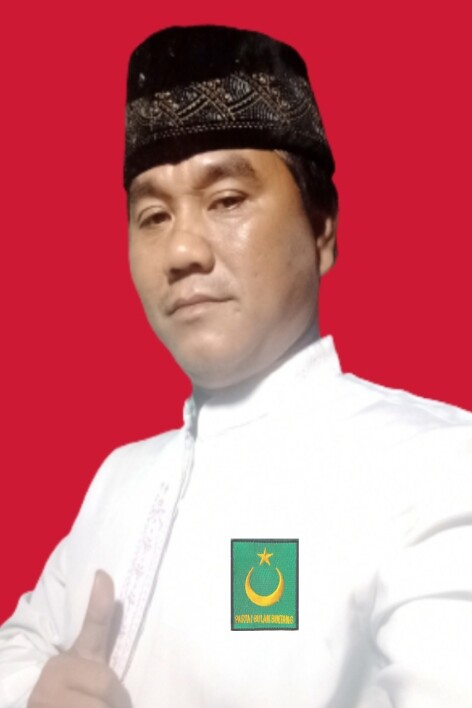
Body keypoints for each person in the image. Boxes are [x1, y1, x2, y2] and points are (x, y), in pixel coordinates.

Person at [1, 24, 472, 708]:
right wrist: (34, 692)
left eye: (226, 200)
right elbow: (19, 644)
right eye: (153, 216)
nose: (182, 251)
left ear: (322, 229)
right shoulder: (120, 478)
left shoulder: (435, 466)